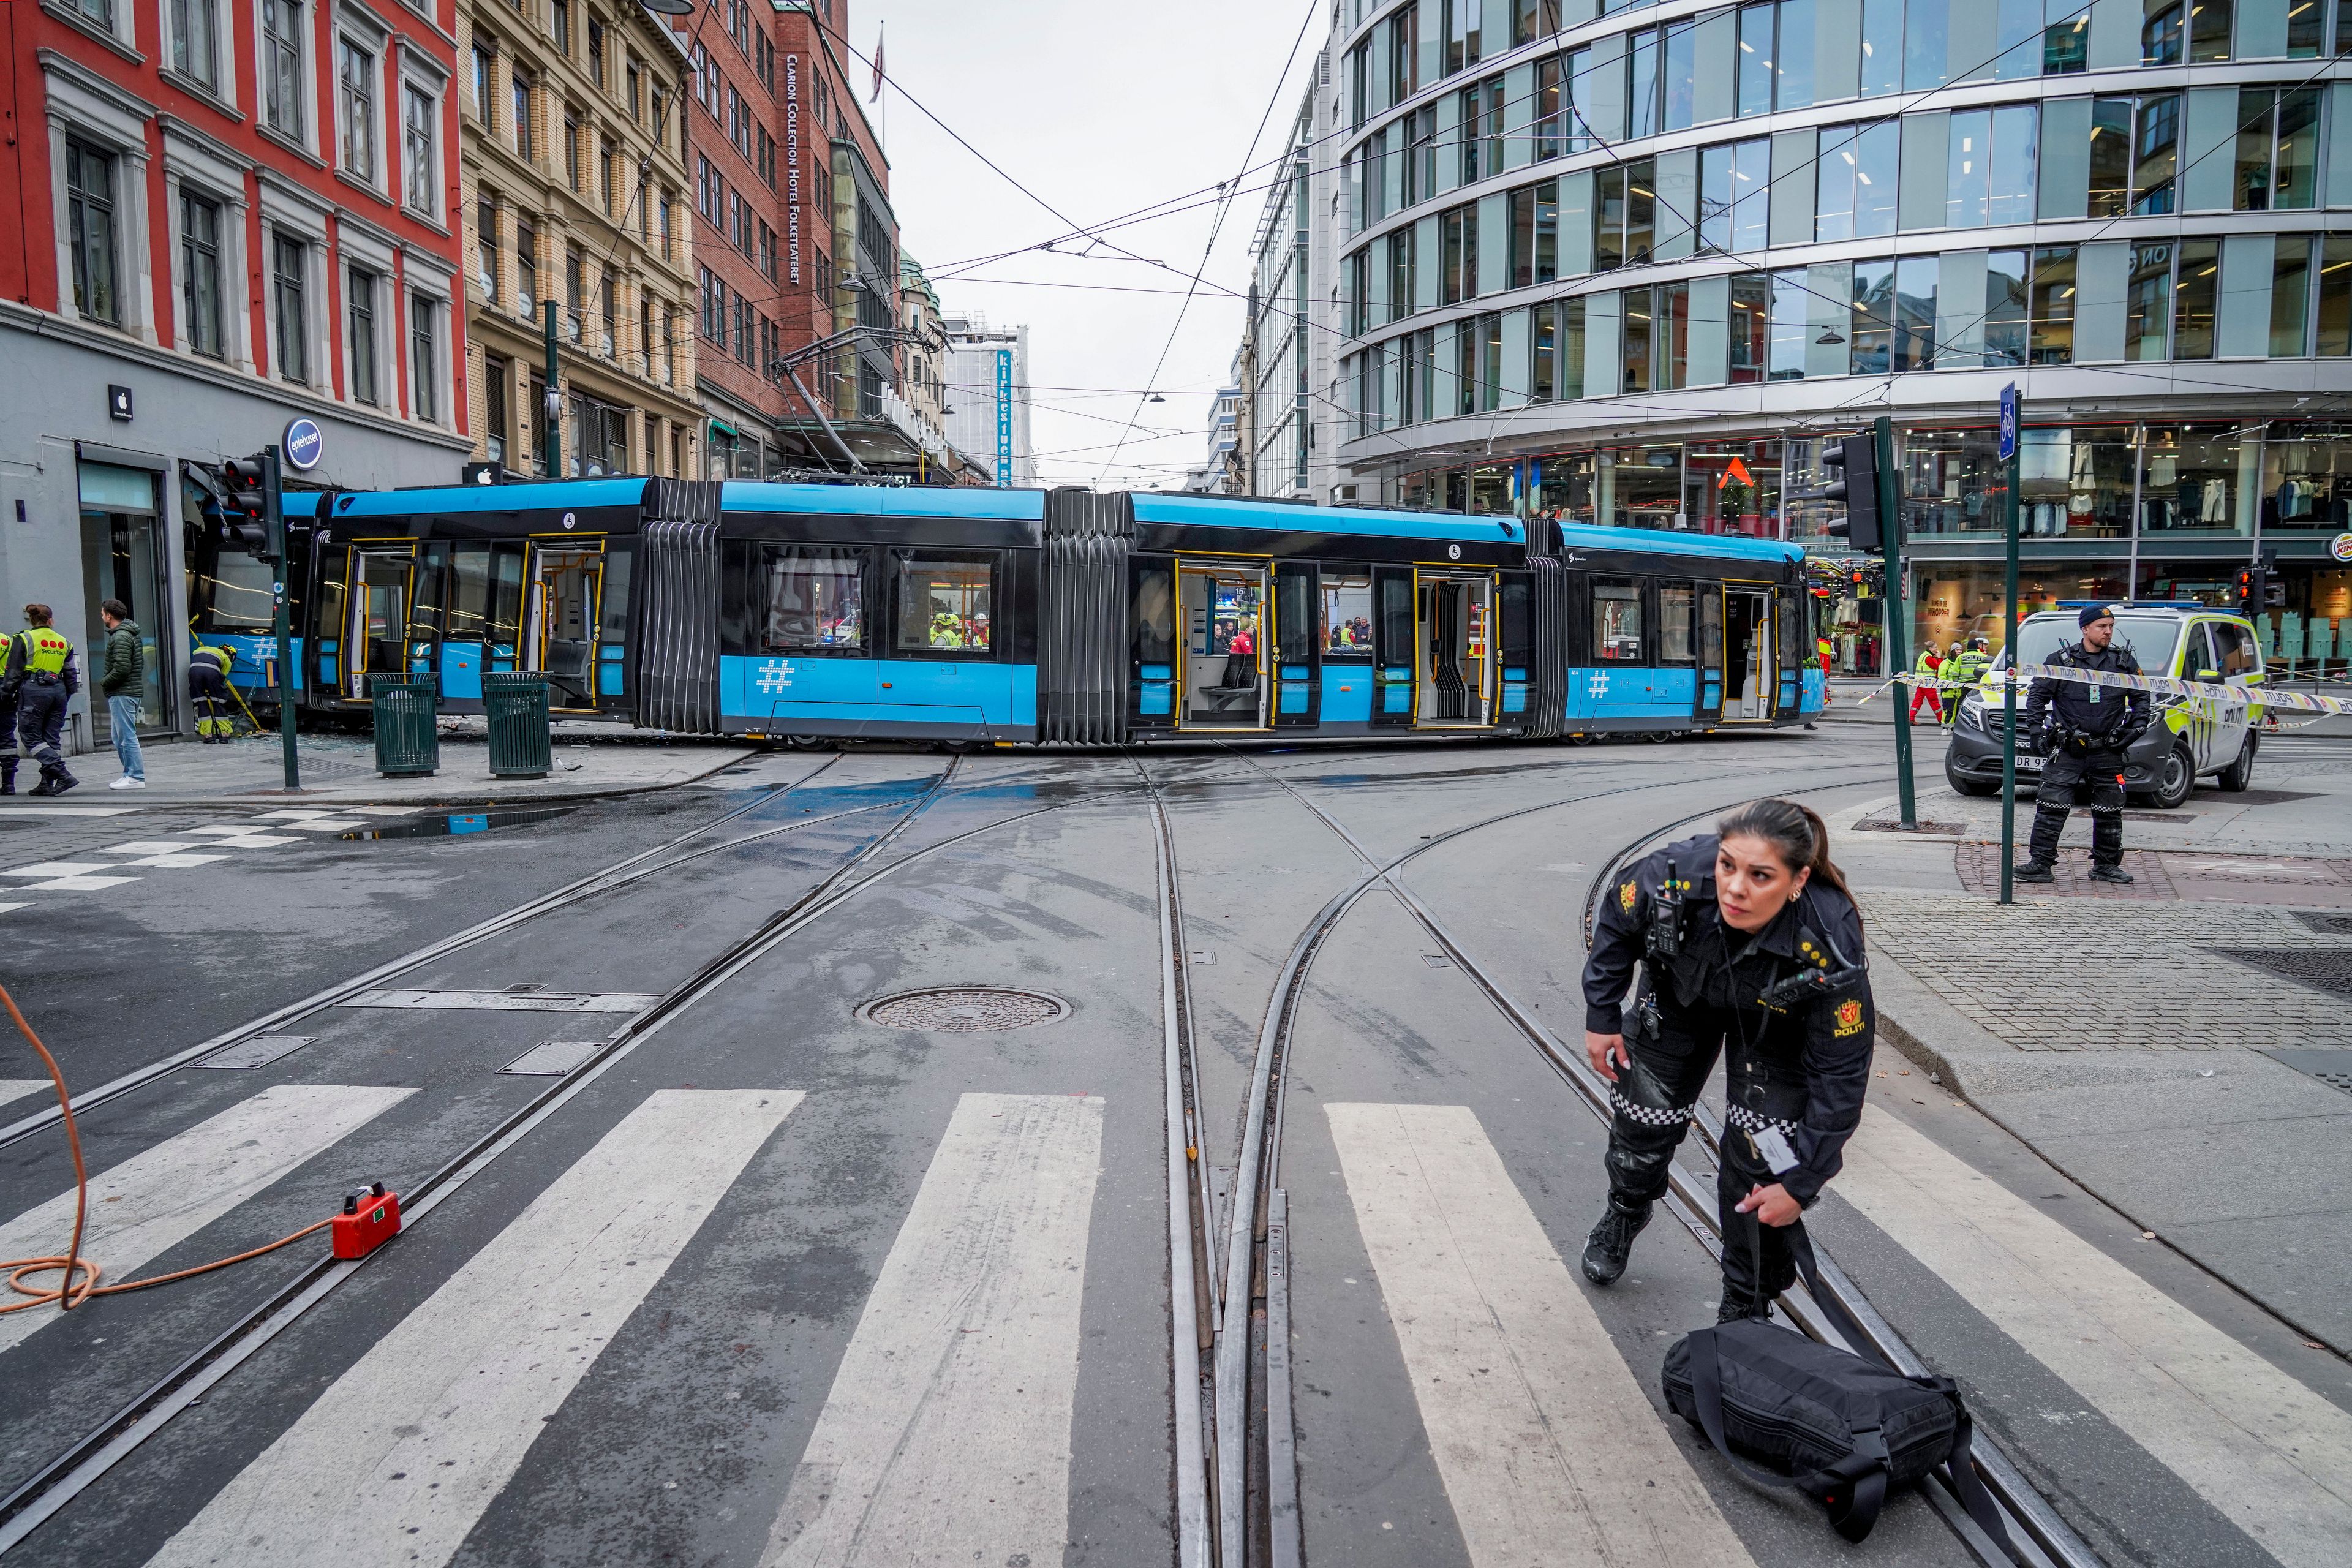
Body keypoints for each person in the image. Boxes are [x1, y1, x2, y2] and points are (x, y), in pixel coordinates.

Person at [1579, 799, 1875, 1323]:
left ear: (1798, 879)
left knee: (1763, 1169)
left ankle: (1747, 1295)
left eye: (1761, 875)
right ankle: (1626, 1209)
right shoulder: (1670, 876)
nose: (1736, 887)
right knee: (1643, 1123)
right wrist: (1602, 1014)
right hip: (1677, 996)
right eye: (1728, 866)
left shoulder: (1829, 939)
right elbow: (1619, 921)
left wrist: (1801, 1184)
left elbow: (1841, 1074)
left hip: (1776, 1027)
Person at [2016, 605, 2150, 886]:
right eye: (2102, 626)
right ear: (2085, 629)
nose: (2108, 631)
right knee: (2051, 807)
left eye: (2111, 626)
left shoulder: (2123, 662)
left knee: (2110, 810)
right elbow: (2036, 697)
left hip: (2107, 749)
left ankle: (2106, 866)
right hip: (2068, 748)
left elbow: (2142, 698)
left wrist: (2135, 729)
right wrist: (2035, 732)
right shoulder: (2061, 661)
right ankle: (2040, 864)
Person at [6, 605, 81, 796]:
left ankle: (63, 773)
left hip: (33, 691)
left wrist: (6, 695)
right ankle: (46, 784)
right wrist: (65, 696)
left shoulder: (23, 638)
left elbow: (13, 673)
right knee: (51, 738)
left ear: (32, 620)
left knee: (30, 736)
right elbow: (72, 675)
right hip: (59, 691)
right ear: (51, 621)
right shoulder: (65, 642)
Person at [97, 600, 146, 790]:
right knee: (120, 737)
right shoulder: (126, 634)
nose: (102, 617)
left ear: (109, 616)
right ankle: (129, 774)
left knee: (126, 736)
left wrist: (103, 682)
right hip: (127, 691)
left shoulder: (121, 637)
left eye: (102, 614)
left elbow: (122, 668)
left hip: (123, 692)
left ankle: (135, 776)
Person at [188, 633, 236, 742]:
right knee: (218, 702)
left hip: (194, 672)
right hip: (212, 673)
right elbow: (221, 678)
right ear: (231, 655)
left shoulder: (203, 649)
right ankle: (224, 734)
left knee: (202, 703)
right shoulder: (227, 660)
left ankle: (208, 735)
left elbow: (196, 655)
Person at [1943, 636, 1991, 728]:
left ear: (1968, 647)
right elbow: (1988, 671)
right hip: (1978, 685)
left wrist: (1957, 685)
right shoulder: (1983, 657)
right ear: (1977, 647)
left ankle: (1961, 724)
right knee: (1977, 705)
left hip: (1964, 685)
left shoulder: (1961, 657)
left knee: (1963, 705)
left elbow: (1955, 673)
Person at [1909, 643, 1943, 725]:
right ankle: (1941, 719)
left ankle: (1911, 718)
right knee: (1934, 701)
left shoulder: (1923, 655)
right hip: (1928, 684)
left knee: (1918, 701)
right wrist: (1939, 658)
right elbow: (1939, 666)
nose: (1937, 649)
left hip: (1921, 683)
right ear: (1930, 648)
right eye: (1935, 647)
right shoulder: (1929, 658)